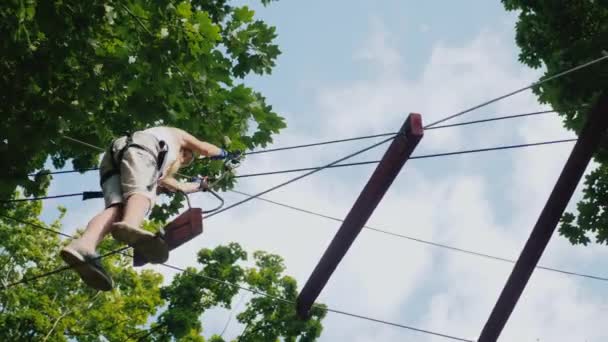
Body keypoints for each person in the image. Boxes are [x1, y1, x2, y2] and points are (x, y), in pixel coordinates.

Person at [60, 126, 237, 291]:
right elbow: (205, 148)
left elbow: (174, 185)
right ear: (185, 151)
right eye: (186, 159)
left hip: (114, 155)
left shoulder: (161, 164)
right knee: (143, 194)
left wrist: (199, 185)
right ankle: (129, 226)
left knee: (116, 208)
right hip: (143, 147)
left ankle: (84, 246)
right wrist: (225, 154)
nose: (182, 163)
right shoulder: (176, 136)